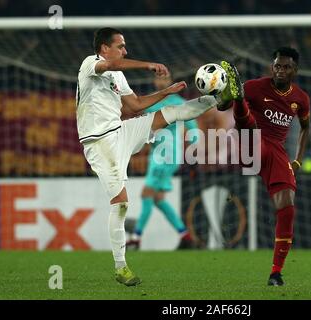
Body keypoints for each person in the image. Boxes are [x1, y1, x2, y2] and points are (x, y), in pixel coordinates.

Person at [76, 27, 241, 286]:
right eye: (120, 46)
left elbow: (136, 105)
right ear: (105, 48)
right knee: (120, 203)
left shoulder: (117, 77)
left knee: (173, 112)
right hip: (99, 142)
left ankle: (218, 99)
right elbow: (111, 64)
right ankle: (121, 267)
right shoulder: (90, 63)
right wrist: (147, 65)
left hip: (121, 131)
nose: (125, 50)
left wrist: (167, 92)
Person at [219, 47, 311, 286]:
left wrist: (298, 159)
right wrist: (231, 96)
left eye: (286, 67)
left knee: (287, 206)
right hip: (249, 144)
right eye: (277, 66)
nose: (280, 70)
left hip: (276, 151)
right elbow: (220, 107)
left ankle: (276, 273)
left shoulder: (300, 99)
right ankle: (239, 98)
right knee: (249, 125)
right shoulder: (255, 86)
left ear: (295, 70)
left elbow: (305, 128)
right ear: (272, 66)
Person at [125, 75, 199, 250]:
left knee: (146, 194)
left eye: (164, 78)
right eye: (158, 78)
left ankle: (135, 238)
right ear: (154, 82)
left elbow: (194, 130)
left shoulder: (178, 103)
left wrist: (192, 153)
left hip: (164, 156)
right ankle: (185, 236)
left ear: (170, 82)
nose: (160, 81)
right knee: (158, 199)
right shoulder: (155, 102)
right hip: (160, 156)